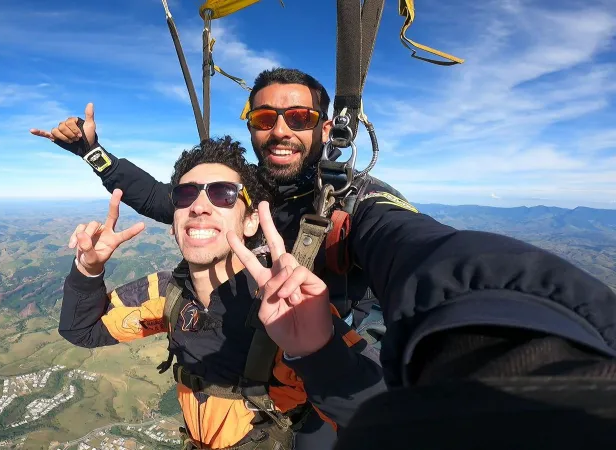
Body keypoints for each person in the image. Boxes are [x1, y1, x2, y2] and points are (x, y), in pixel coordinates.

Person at [31, 68, 396, 445]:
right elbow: (158, 197)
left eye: (222, 194)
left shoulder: (345, 215)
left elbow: (385, 417)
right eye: (266, 118)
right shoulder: (170, 293)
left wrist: (452, 283)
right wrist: (93, 159)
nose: (200, 207)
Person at [222, 185, 616, 449]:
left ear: (328, 127)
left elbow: (409, 242)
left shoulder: (355, 197)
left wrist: (497, 343)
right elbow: (162, 198)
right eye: (262, 118)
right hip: (311, 375)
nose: (279, 129)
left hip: (326, 386)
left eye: (298, 117)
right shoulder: (246, 190)